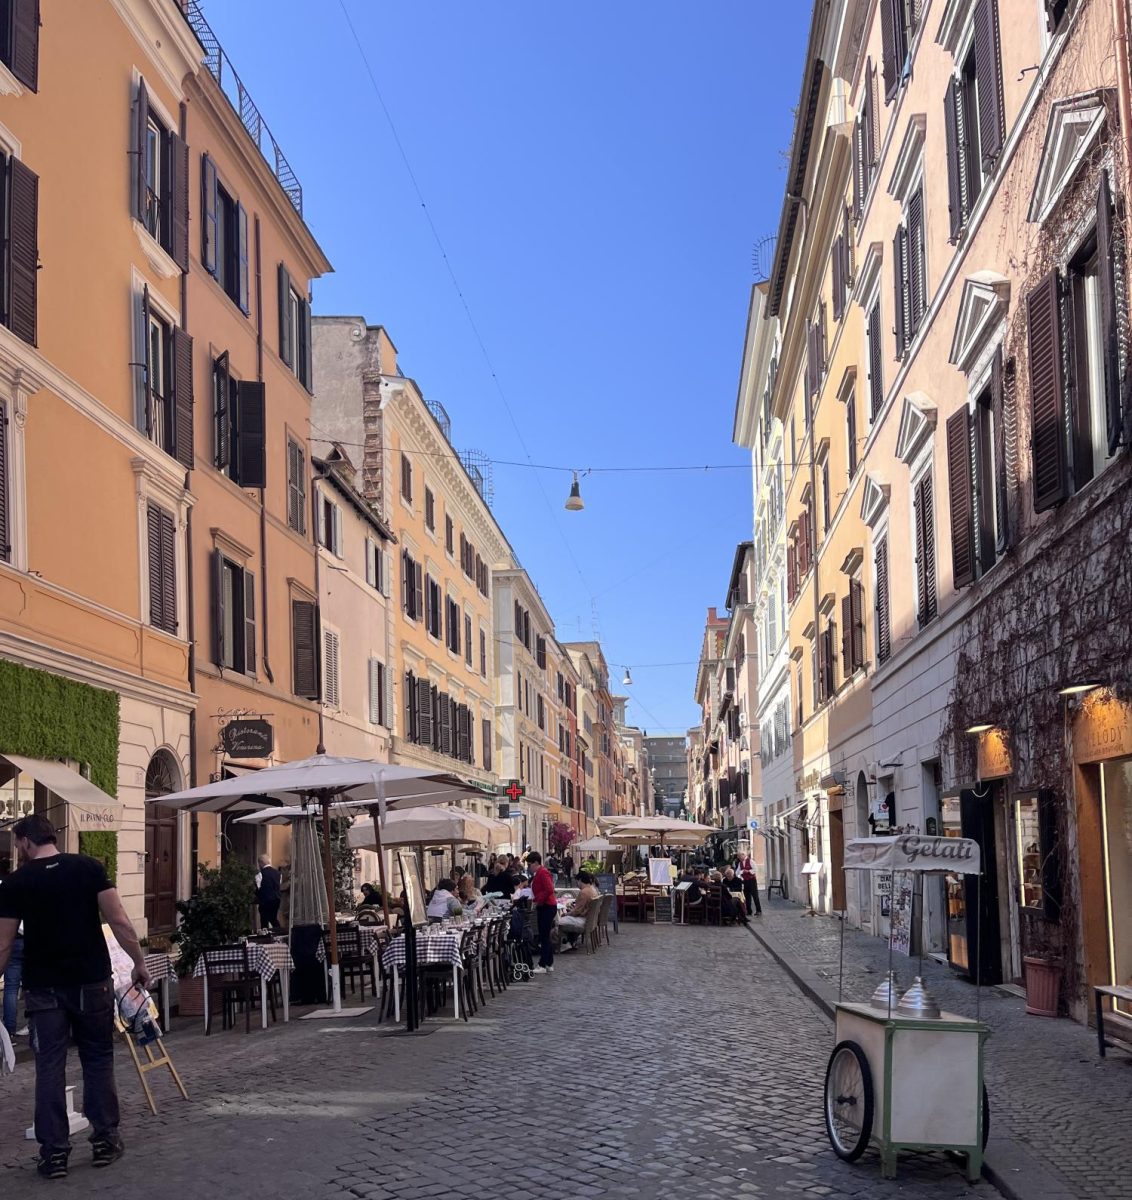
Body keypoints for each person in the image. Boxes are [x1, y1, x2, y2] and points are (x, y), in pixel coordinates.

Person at [0, 814, 150, 1179]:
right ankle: (104, 1140)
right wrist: (138, 962)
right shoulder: (88, 868)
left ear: (25, 842)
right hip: (90, 981)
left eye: (18, 843)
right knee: (97, 1058)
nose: (17, 849)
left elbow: (3, 943)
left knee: (49, 1067)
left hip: (44, 987)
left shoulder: (17, 882)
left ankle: (54, 1154)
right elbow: (119, 921)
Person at [528, 851, 557, 974]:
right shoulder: (539, 873)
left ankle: (542, 964)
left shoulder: (542, 872)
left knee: (544, 936)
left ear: (535, 863)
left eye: (530, 865)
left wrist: (538, 900)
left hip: (547, 906)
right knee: (545, 935)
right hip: (545, 906)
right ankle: (549, 963)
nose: (529, 867)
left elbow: (549, 889)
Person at [557, 870, 600, 949]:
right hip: (590, 919)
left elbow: (577, 911)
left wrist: (566, 914)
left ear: (580, 880)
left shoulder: (584, 892)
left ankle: (565, 943)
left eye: (577, 881)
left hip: (584, 920)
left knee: (558, 921)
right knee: (565, 918)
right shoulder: (592, 889)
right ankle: (571, 940)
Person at [255, 854, 282, 932]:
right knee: (273, 918)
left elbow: (258, 888)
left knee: (264, 920)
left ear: (261, 863)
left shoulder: (260, 875)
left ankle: (266, 936)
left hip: (265, 901)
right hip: (276, 900)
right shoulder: (278, 874)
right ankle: (278, 932)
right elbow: (278, 885)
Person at [738, 852, 762, 916]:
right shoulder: (740, 863)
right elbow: (737, 872)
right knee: (747, 896)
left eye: (739, 856)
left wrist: (748, 871)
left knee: (755, 896)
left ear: (743, 855)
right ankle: (749, 911)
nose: (739, 858)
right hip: (745, 881)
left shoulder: (751, 861)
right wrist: (742, 872)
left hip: (752, 880)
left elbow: (756, 869)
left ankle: (758, 910)